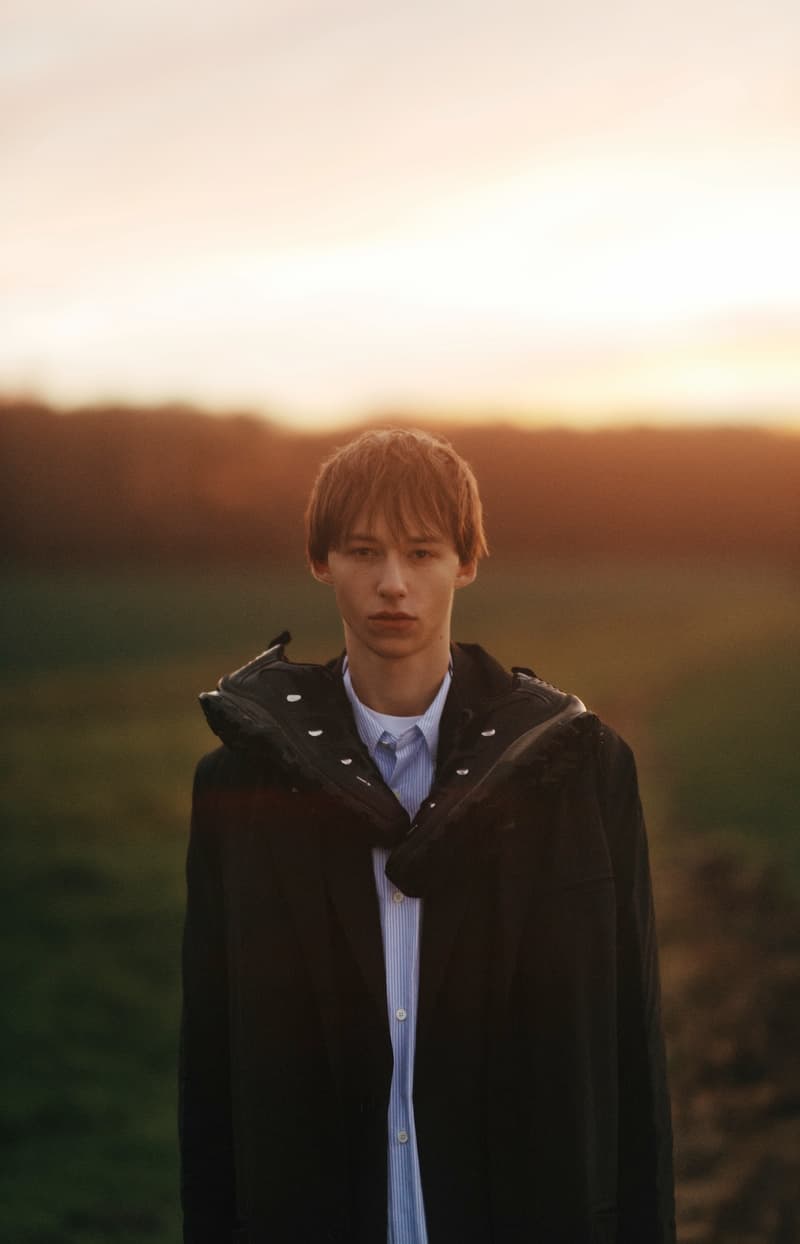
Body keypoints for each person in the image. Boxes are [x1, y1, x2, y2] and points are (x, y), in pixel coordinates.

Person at [179, 428, 675, 1244]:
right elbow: (211, 1069)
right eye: (363, 551)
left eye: (421, 552)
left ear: (466, 562)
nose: (393, 584)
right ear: (320, 561)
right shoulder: (239, 784)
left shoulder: (580, 773)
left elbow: (633, 1056)